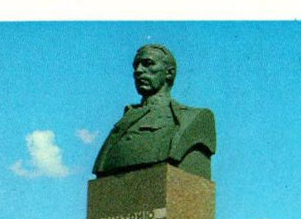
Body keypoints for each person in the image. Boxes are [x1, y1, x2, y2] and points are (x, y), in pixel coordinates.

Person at [92, 44, 216, 180]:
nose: (138, 71)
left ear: (169, 73)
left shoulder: (194, 118)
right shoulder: (126, 119)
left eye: (147, 64)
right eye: (136, 66)